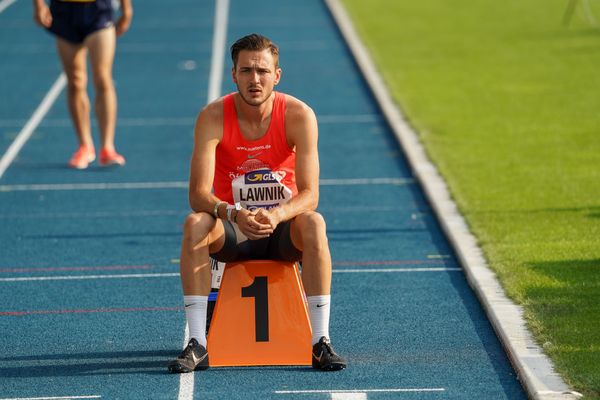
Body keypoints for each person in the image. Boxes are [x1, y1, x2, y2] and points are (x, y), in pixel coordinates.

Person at [168, 33, 347, 373]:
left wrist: (277, 214)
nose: (255, 79)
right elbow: (197, 195)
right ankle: (198, 343)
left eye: (263, 71)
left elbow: (311, 194)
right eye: (246, 70)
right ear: (233, 74)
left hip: (280, 232)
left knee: (315, 222)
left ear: (276, 75)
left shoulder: (298, 115)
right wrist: (234, 212)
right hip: (232, 233)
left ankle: (320, 341)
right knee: (195, 223)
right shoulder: (212, 116)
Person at [33, 0, 132, 169]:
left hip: (97, 9)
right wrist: (39, 5)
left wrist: (126, 9)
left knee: (102, 77)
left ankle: (108, 148)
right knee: (75, 81)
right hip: (64, 10)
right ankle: (85, 145)